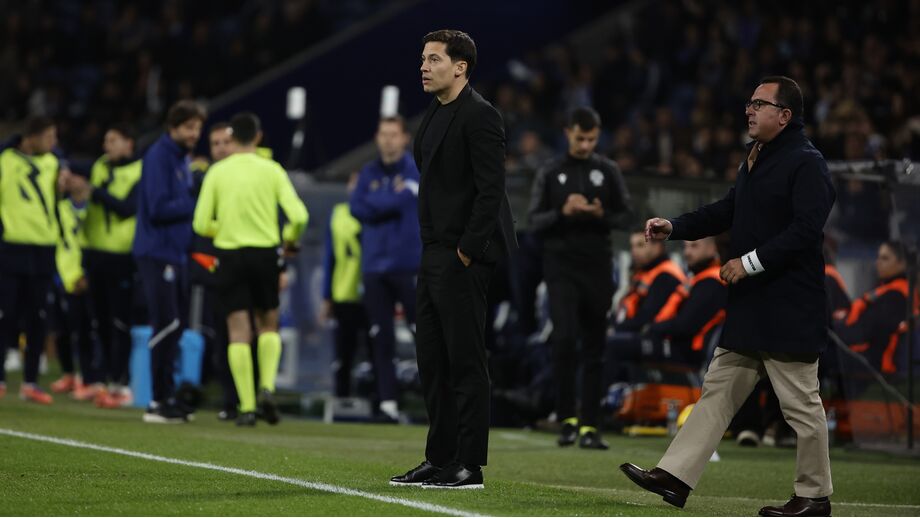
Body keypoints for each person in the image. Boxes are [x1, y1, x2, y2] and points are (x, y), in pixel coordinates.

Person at [620, 76, 836, 517]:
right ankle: (675, 475)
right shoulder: (758, 156)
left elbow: (806, 230)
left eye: (759, 103)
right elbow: (728, 210)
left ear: (784, 115)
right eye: (749, 102)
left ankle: (814, 496)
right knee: (717, 392)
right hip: (753, 305)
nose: (749, 110)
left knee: (800, 404)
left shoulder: (806, 162)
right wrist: (675, 228)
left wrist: (748, 262)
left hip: (789, 305)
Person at [390, 29, 516, 490]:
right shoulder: (436, 110)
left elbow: (490, 189)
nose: (423, 67)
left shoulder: (481, 115)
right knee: (432, 360)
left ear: (460, 67)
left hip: (462, 255)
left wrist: (467, 249)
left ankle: (470, 464)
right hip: (434, 251)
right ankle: (440, 457)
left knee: (464, 360)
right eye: (423, 59)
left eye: (434, 59)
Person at [192, 112, 308, 426]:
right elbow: (299, 216)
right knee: (268, 325)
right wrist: (289, 239)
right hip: (264, 254)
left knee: (238, 333)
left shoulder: (218, 172)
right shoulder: (272, 170)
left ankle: (245, 407)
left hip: (229, 255)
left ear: (232, 138)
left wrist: (225, 228)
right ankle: (266, 387)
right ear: (257, 137)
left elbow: (200, 223)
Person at [527, 106, 632, 450]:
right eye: (579, 138)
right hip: (561, 267)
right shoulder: (550, 171)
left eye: (591, 139)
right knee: (564, 339)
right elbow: (533, 220)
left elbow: (627, 215)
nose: (585, 145)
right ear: (568, 133)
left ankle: (590, 425)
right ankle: (566, 418)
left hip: (597, 267)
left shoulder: (608, 170)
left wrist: (603, 213)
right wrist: (562, 211)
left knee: (595, 346)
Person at [134, 100, 206, 423]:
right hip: (157, 251)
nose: (195, 134)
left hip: (175, 253)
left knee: (175, 327)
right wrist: (196, 200)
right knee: (166, 324)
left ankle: (167, 396)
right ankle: (156, 401)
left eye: (197, 128)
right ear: (173, 127)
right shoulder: (158, 157)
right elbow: (157, 208)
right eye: (189, 127)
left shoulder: (180, 159)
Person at [349, 116, 421, 421]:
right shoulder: (369, 172)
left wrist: (377, 201)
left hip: (409, 265)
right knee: (380, 336)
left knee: (423, 335)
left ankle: (436, 402)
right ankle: (388, 403)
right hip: (375, 267)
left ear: (404, 138)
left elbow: (372, 205)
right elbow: (356, 208)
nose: (388, 140)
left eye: (394, 134)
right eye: (383, 134)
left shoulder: (416, 169)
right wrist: (394, 197)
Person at [0, 116, 72, 404]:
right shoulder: (5, 160)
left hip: (43, 248)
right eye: (49, 136)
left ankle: (30, 382)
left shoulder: (53, 163)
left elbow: (58, 200)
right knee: (5, 315)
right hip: (11, 247)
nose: (54, 142)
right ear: (32, 137)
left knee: (38, 317)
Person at [80, 123, 142, 408]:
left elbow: (127, 209)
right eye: (106, 140)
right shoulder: (100, 166)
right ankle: (103, 380)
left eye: (113, 140)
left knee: (120, 322)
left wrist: (94, 191)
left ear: (129, 143)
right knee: (99, 321)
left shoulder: (140, 171)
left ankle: (122, 383)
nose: (106, 146)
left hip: (122, 256)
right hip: (95, 253)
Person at [190, 122, 240, 420]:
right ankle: (228, 400)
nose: (221, 148)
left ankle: (244, 399)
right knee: (217, 336)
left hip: (241, 265)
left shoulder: (245, 176)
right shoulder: (205, 177)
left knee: (241, 335)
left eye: (226, 142)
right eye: (215, 143)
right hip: (212, 267)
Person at [321, 172, 371, 399]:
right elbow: (329, 257)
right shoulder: (339, 213)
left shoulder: (378, 212)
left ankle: (379, 403)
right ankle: (341, 400)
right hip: (344, 293)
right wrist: (327, 296)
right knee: (343, 354)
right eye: (353, 182)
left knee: (376, 352)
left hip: (374, 293)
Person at [835, 240, 916, 376]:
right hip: (861, 354)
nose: (878, 262)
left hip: (872, 362)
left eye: (885, 258)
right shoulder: (888, 290)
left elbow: (867, 331)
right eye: (878, 257)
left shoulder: (896, 295)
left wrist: (835, 332)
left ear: (902, 263)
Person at [615, 231, 686, 333]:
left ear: (657, 246)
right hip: (632, 331)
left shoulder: (666, 276)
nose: (634, 251)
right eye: (632, 246)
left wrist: (614, 328)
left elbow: (645, 319)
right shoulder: (645, 272)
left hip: (653, 337)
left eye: (640, 245)